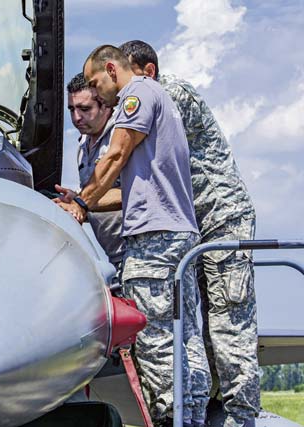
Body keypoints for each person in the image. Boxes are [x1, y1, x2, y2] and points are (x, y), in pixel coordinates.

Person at [55, 45, 211, 427]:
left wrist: (82, 204)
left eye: (96, 83)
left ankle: (171, 419)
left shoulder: (136, 94)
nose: (98, 92)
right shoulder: (161, 96)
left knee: (157, 343)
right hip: (179, 235)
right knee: (186, 338)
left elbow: (116, 155)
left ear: (112, 70)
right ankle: (191, 417)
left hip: (153, 239)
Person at [119, 40, 258, 427]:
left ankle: (240, 418)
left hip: (222, 221)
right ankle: (208, 409)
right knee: (193, 327)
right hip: (190, 226)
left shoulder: (169, 94)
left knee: (229, 324)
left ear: (147, 72)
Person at [63, 73, 124, 271]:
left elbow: (137, 193)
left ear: (105, 104)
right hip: (116, 259)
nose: (76, 118)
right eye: (71, 109)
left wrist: (81, 202)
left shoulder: (121, 138)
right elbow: (98, 203)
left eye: (85, 109)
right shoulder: (83, 144)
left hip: (141, 255)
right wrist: (74, 202)